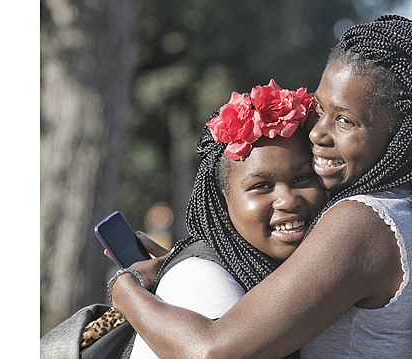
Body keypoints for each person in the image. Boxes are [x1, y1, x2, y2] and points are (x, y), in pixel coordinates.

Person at [110, 15, 412, 358]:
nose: (318, 133)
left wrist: (125, 290)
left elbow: (213, 351)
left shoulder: (363, 223)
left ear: (403, 134)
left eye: (345, 121)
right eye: (320, 111)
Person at [106, 80, 327, 358]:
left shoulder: (264, 267)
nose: (288, 199)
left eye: (302, 178)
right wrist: (125, 289)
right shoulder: (206, 281)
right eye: (262, 186)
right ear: (222, 200)